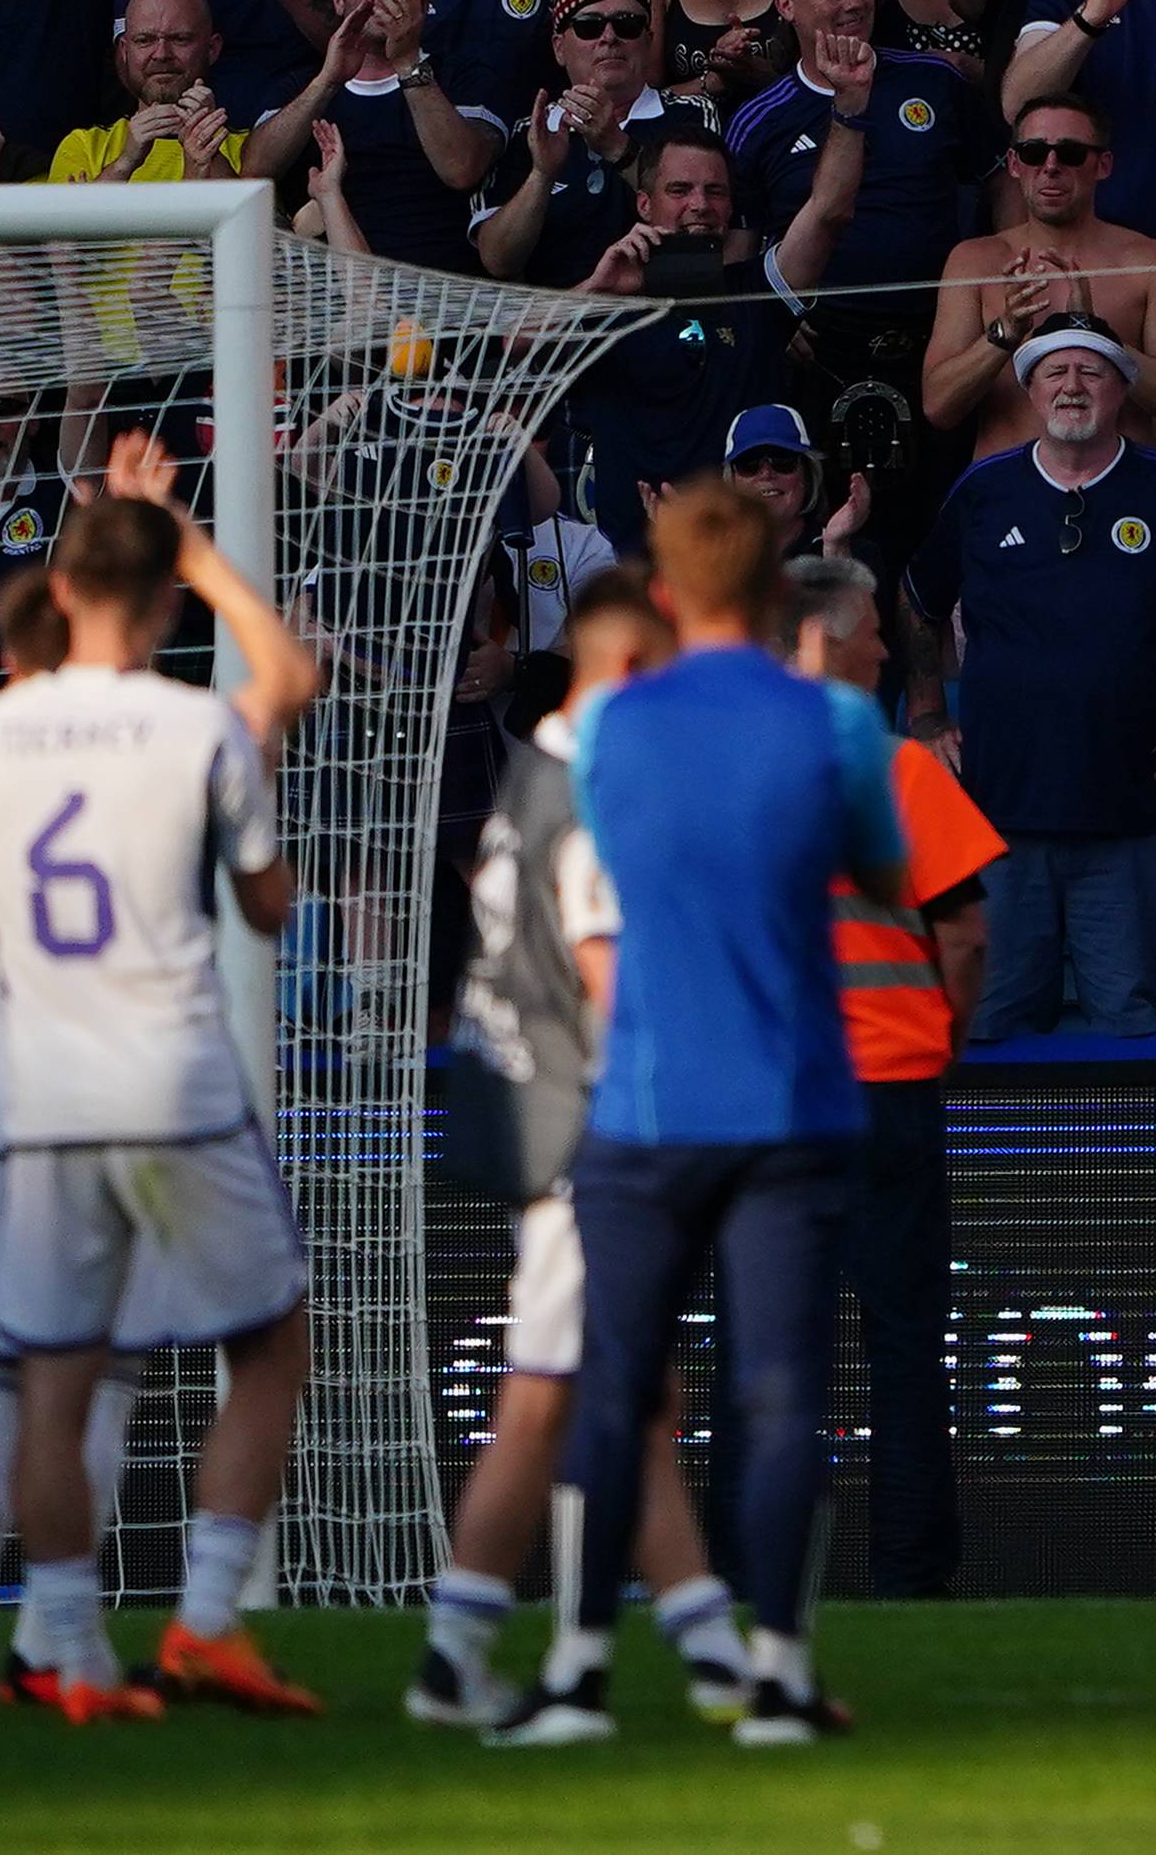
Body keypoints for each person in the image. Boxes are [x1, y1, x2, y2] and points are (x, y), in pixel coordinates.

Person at [495, 476, 905, 1754]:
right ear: (780, 585)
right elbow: (883, 871)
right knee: (781, 1391)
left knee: (617, 1390)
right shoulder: (832, 721)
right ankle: (777, 1673)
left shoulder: (611, 726)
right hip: (792, 1095)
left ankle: (575, 1671)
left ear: (663, 591)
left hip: (649, 1103)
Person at [0, 436, 325, 1724]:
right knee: (268, 1338)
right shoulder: (195, 726)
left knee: (47, 1375)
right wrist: (191, 538)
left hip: (36, 1096)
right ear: (162, 596)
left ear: (55, 594)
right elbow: (268, 908)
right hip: (170, 1081)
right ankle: (207, 1620)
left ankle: (70, 1654)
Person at [410, 574, 751, 1736]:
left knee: (634, 1391)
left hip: (530, 1111)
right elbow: (613, 980)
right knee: (546, 1393)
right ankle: (456, 1651)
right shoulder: (598, 789)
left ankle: (708, 1642)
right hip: (587, 1136)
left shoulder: (532, 781)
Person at [925, 323, 1156, 1041]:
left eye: (1092, 372)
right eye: (1055, 371)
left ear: (1123, 389)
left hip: (1131, 826)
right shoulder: (983, 491)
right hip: (1001, 825)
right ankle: (1003, 1165)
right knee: (989, 1036)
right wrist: (926, 709)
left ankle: (1129, 1165)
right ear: (1029, 391)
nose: (1072, 386)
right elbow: (915, 602)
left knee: (1135, 1036)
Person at [787, 554, 1005, 1606]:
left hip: (771, 1101)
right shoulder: (899, 767)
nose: (885, 645)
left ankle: (762, 1578)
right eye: (870, 628)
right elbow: (963, 935)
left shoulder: (722, 769)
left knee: (771, 1354)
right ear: (824, 637)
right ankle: (913, 1581)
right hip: (888, 1087)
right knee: (907, 1348)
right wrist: (942, 1035)